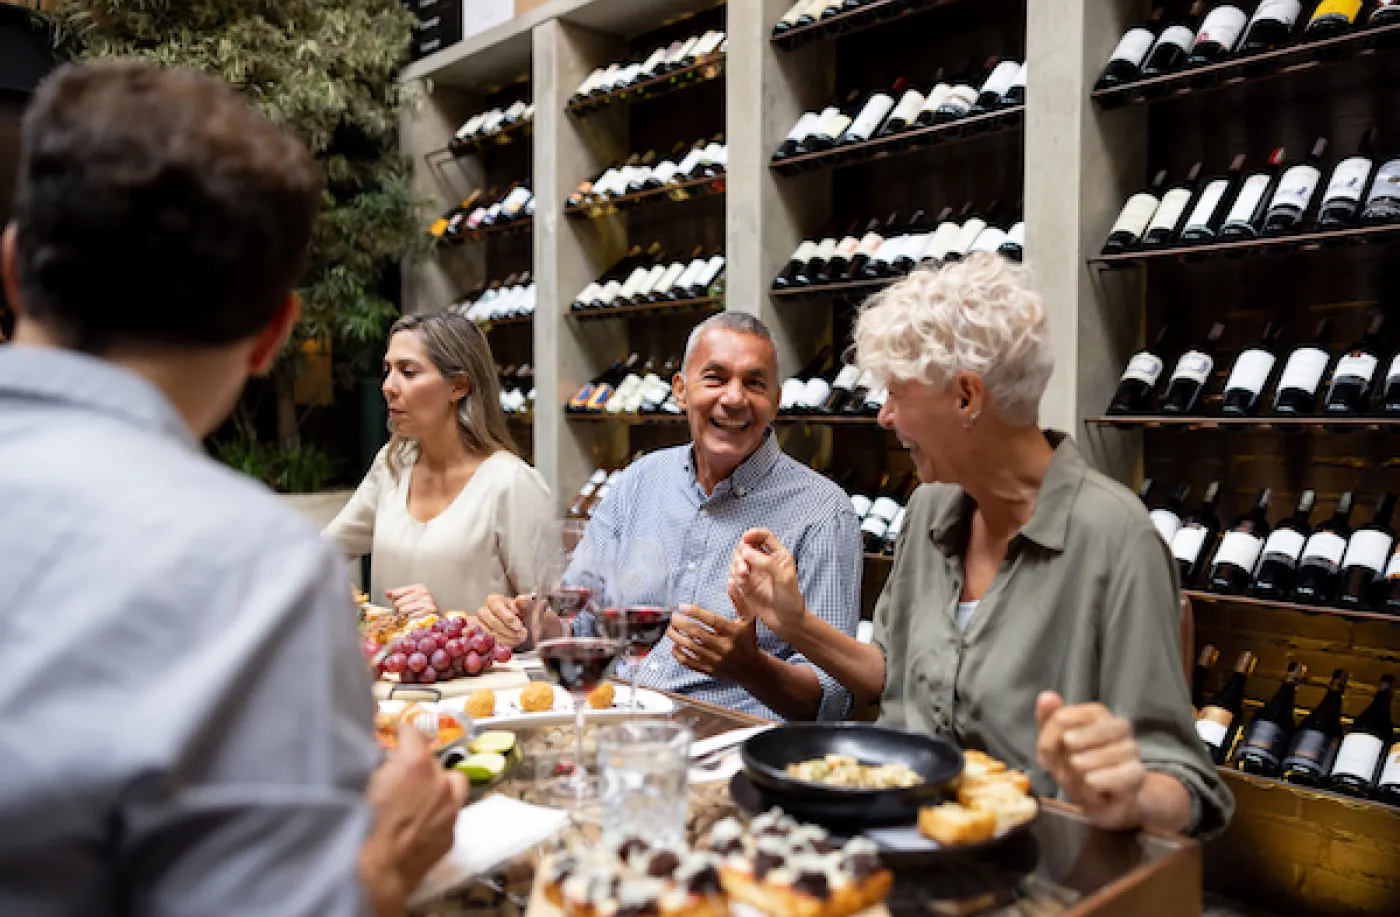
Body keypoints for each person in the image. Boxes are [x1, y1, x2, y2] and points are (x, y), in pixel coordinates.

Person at [0, 61, 463, 915]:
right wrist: (385, 866)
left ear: (14, 268)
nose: (394, 387)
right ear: (271, 338)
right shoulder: (253, 572)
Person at [730, 254, 1234, 837]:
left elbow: (1183, 786)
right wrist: (793, 623)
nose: (884, 416)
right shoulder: (928, 510)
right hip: (888, 841)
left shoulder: (1116, 537)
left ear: (967, 397)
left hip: (1033, 870)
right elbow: (888, 675)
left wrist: (1131, 795)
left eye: (896, 392)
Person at [478, 312, 862, 721]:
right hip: (616, 719)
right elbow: (584, 626)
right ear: (680, 390)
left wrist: (754, 669)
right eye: (715, 378)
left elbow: (834, 699)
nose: (734, 398)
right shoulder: (638, 482)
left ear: (776, 400)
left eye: (754, 382)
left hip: (730, 747)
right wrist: (533, 626)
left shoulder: (823, 513)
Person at [324, 312, 553, 618]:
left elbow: (552, 623)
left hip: (481, 667)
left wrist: (447, 621)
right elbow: (322, 552)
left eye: (408, 372)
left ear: (458, 386)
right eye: (387, 370)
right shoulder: (393, 464)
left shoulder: (512, 483)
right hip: (386, 665)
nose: (388, 386)